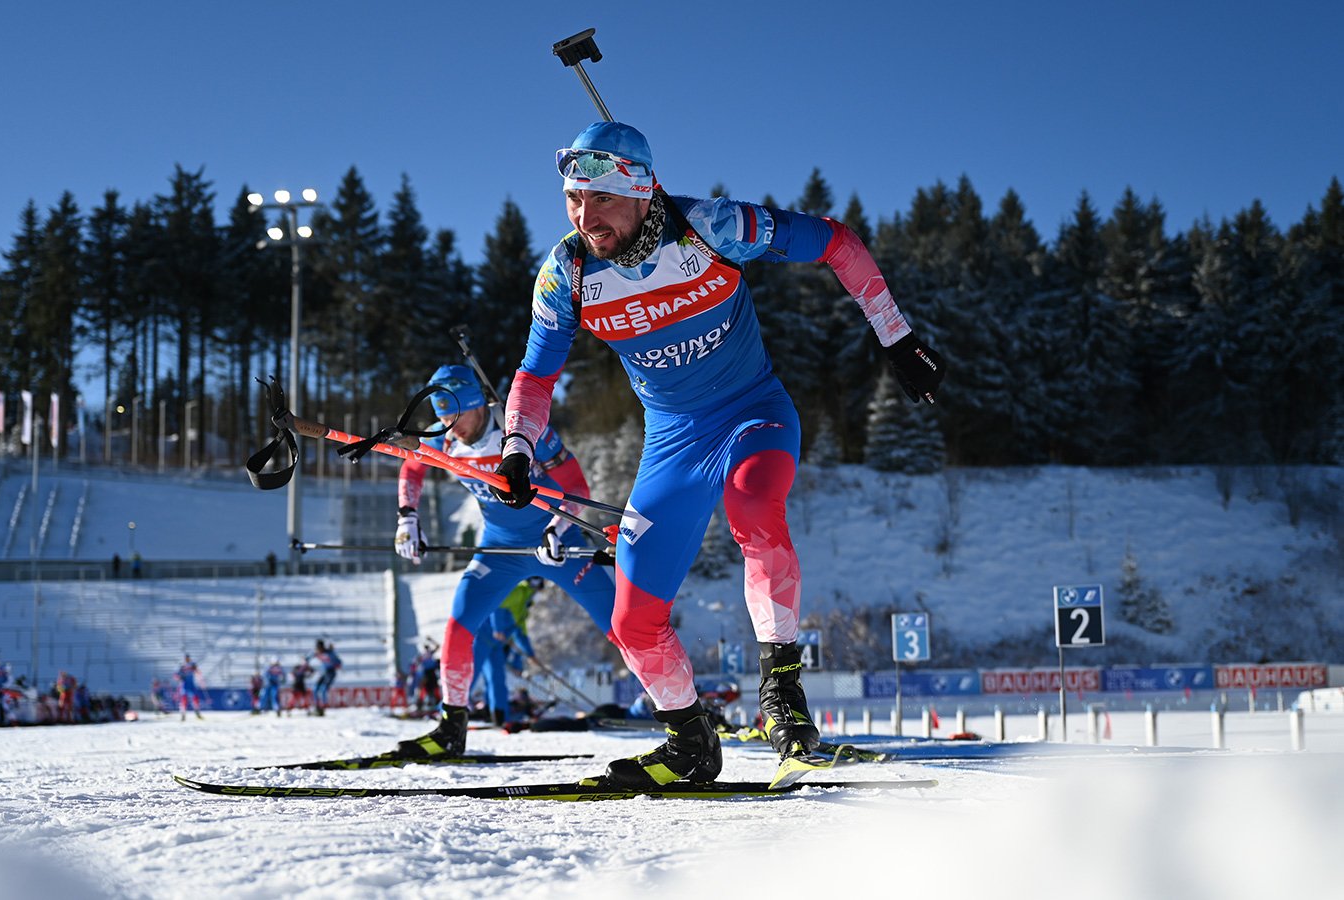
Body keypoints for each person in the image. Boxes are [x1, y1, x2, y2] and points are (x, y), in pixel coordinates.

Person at [493, 122, 945, 788]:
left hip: (750, 414)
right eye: (572, 198)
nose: (586, 218)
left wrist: (896, 337)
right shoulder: (567, 272)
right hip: (673, 441)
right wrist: (517, 449)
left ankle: (783, 703)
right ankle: (689, 742)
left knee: (755, 506)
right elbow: (535, 376)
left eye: (602, 200)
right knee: (631, 617)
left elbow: (834, 241)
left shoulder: (711, 227)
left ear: (644, 191)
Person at [390, 363, 616, 759]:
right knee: (459, 625)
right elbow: (411, 466)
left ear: (479, 405)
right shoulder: (444, 442)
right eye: (442, 417)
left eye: (457, 415)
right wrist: (408, 517)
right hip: (499, 549)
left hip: (555, 542)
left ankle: (686, 717)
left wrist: (557, 531)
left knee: (621, 624)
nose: (450, 425)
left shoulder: (524, 432)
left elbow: (577, 486)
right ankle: (451, 728)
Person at [470, 576, 542, 725]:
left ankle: (499, 716)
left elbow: (520, 633)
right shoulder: (517, 591)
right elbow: (497, 605)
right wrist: (497, 627)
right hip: (482, 638)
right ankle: (446, 711)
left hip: (496, 646)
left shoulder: (523, 607)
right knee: (470, 675)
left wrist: (530, 655)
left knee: (497, 680)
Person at [311, 639, 341, 715]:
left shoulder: (329, 653)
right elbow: (308, 657)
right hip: (323, 673)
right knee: (315, 688)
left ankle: (324, 707)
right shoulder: (318, 653)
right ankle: (317, 706)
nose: (318, 650)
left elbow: (338, 662)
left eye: (319, 648)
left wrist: (334, 664)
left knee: (323, 689)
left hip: (330, 672)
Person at [175, 653, 204, 720]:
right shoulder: (182, 666)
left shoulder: (192, 664)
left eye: (188, 658)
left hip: (191, 685)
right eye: (186, 658)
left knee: (195, 698)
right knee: (184, 700)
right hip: (185, 685)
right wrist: (179, 677)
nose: (187, 659)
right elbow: (176, 675)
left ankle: (197, 712)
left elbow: (198, 671)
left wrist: (197, 671)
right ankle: (183, 714)